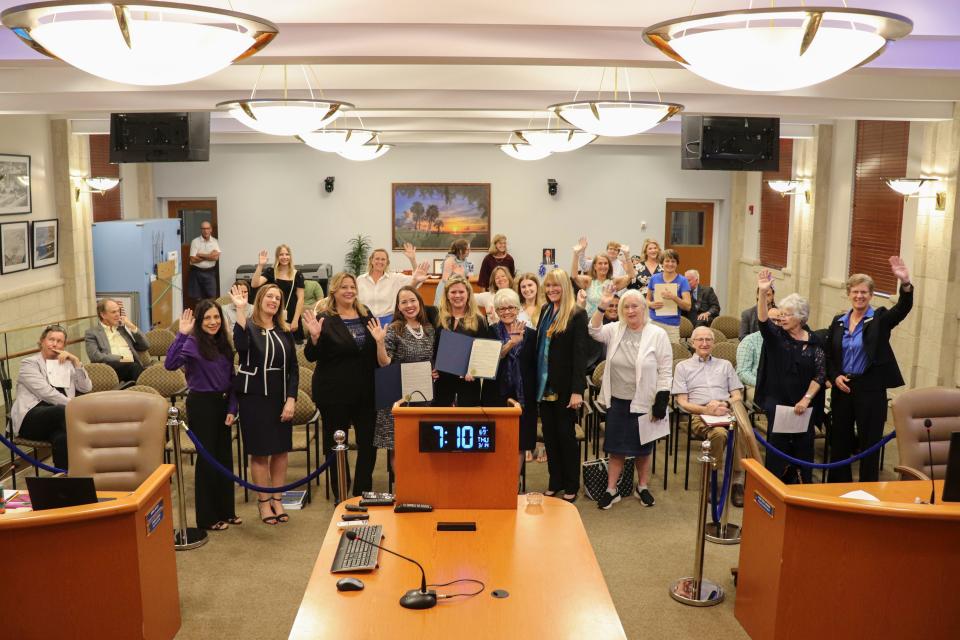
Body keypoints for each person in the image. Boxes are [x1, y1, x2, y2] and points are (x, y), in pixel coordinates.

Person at [826, 257, 913, 483]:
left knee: (869, 444)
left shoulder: (879, 319)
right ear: (849, 294)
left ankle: (867, 490)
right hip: (842, 388)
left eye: (864, 292)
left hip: (871, 389)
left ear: (871, 295)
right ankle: (837, 488)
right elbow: (829, 355)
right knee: (840, 442)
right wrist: (835, 377)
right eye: (855, 292)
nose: (859, 296)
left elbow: (902, 309)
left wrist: (905, 284)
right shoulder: (838, 321)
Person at [589, 287, 671, 509]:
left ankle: (642, 486)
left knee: (642, 449)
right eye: (626, 306)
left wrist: (662, 399)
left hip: (644, 401)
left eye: (635, 306)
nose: (631, 310)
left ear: (644, 308)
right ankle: (611, 490)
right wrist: (602, 306)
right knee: (616, 448)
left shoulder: (657, 334)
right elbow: (594, 331)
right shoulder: (615, 329)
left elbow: (665, 369)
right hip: (617, 399)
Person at [301, 272, 378, 498]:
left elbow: (374, 351)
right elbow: (311, 355)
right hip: (334, 394)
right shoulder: (325, 318)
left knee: (368, 445)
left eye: (352, 287)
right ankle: (342, 496)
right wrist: (314, 338)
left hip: (366, 392)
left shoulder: (366, 315)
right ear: (334, 291)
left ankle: (361, 493)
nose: (349, 291)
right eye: (344, 287)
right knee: (336, 448)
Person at [165, 302, 240, 531]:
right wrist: (181, 334)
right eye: (207, 318)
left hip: (223, 403)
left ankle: (226, 511)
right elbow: (170, 364)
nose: (213, 322)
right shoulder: (193, 342)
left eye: (216, 317)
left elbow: (232, 378)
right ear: (199, 321)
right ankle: (207, 518)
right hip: (202, 405)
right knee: (207, 461)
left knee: (225, 458)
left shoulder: (224, 343)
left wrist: (232, 408)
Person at [230, 283, 298, 525]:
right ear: (260, 300)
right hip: (254, 398)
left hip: (280, 398)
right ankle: (263, 502)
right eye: (269, 296)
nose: (274, 301)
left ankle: (277, 499)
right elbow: (240, 347)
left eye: (277, 298)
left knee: (280, 450)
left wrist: (291, 398)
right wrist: (240, 310)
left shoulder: (284, 330)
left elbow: (293, 368)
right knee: (259, 451)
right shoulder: (248, 326)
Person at [755, 270, 825, 484]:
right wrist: (763, 293)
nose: (782, 318)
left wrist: (806, 399)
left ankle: (802, 490)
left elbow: (820, 374)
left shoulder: (815, 341)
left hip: (805, 407)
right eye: (781, 314)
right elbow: (763, 321)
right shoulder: (777, 337)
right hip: (780, 405)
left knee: (804, 450)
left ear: (801, 317)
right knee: (778, 451)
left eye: (787, 314)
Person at [673, 326, 747, 506]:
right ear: (692, 343)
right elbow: (682, 402)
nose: (704, 343)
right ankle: (713, 480)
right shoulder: (683, 367)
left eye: (708, 340)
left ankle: (738, 482)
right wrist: (706, 410)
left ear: (714, 343)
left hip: (725, 410)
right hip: (699, 414)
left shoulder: (725, 365)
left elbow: (737, 395)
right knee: (720, 434)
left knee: (741, 429)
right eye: (700, 340)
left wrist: (726, 404)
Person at [536, 269, 588, 502]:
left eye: (555, 286)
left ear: (565, 287)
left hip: (566, 387)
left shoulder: (577, 314)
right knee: (549, 436)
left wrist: (578, 391)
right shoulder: (546, 310)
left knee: (565, 436)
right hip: (544, 386)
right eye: (547, 286)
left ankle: (570, 484)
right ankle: (554, 480)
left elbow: (580, 356)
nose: (551, 290)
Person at [369, 286, 436, 465]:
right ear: (398, 307)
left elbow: (430, 358)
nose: (409, 305)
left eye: (412, 300)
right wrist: (380, 343)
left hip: (423, 397)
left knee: (422, 446)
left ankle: (420, 487)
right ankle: (404, 490)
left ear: (420, 303)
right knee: (400, 448)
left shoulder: (429, 328)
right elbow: (385, 363)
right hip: (398, 396)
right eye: (404, 302)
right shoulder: (394, 329)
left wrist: (433, 370)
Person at [11, 325, 91, 470]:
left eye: (59, 341)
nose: (54, 344)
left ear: (64, 345)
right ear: (42, 341)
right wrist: (74, 407)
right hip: (31, 418)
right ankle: (90, 458)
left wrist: (76, 362)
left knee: (62, 437)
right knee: (61, 412)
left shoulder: (67, 363)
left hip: (60, 419)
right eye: (51, 339)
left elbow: (86, 387)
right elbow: (46, 393)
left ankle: (63, 478)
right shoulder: (29, 364)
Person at [484, 288, 538, 473]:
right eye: (501, 309)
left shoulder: (531, 334)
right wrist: (511, 343)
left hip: (524, 396)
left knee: (520, 443)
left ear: (518, 309)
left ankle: (512, 485)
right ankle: (497, 481)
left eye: (511, 308)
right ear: (497, 312)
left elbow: (535, 365)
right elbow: (488, 361)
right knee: (495, 440)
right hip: (495, 394)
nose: (506, 312)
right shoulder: (489, 332)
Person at [433, 274, 490, 407]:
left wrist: (475, 370)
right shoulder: (438, 318)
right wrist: (432, 366)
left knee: (467, 421)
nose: (457, 295)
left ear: (468, 294)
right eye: (453, 292)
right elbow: (433, 347)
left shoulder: (479, 320)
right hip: (443, 382)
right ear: (447, 295)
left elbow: (483, 353)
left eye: (461, 292)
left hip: (468, 383)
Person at [357, 243, 430, 324]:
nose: (380, 261)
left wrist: (412, 260)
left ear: (387, 262)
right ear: (371, 261)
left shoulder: (395, 278)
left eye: (383, 259)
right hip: (365, 321)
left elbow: (416, 281)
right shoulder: (360, 279)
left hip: (389, 322)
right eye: (377, 259)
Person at [84, 298, 149, 383]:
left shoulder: (122, 329)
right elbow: (95, 356)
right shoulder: (92, 333)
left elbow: (145, 346)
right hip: (111, 371)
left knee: (147, 372)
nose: (118, 314)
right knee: (135, 369)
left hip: (133, 367)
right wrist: (121, 358)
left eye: (118, 311)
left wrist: (131, 326)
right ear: (103, 315)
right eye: (113, 312)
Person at [251, 245, 305, 341]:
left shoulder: (297, 274)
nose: (284, 257)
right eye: (281, 254)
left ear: (290, 256)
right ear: (277, 257)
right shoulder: (271, 272)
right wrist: (260, 265)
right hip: (273, 314)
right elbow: (254, 284)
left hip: (291, 315)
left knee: (292, 347)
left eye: (287, 254)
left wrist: (296, 320)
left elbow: (300, 298)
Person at [571, 241, 635, 317]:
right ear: (594, 266)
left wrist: (627, 255)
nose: (603, 266)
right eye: (600, 263)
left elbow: (631, 276)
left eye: (605, 263)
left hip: (608, 321)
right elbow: (574, 276)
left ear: (609, 266)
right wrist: (576, 254)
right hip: (590, 320)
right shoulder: (589, 281)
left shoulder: (613, 282)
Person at [736, 307, 782, 406]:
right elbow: (743, 372)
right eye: (773, 320)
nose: (777, 324)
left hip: (779, 386)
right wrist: (764, 385)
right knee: (773, 402)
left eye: (779, 320)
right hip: (754, 385)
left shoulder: (785, 341)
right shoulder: (749, 341)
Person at [646, 248, 692, 343]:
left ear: (677, 263)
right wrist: (651, 304)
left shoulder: (683, 281)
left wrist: (674, 297)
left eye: (673, 261)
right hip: (653, 323)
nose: (670, 264)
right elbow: (647, 300)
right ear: (662, 263)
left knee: (673, 354)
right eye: (667, 261)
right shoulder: (654, 278)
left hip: (672, 326)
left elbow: (688, 306)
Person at [188, 220, 220, 300]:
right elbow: (192, 259)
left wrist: (200, 254)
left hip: (210, 272)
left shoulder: (215, 241)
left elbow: (216, 257)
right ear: (201, 230)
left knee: (212, 297)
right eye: (203, 229)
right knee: (197, 298)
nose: (206, 231)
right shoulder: (195, 242)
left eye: (207, 228)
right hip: (196, 272)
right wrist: (210, 256)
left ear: (211, 229)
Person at [434, 239, 471, 306]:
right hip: (447, 290)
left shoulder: (463, 259)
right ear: (460, 250)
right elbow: (445, 279)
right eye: (467, 249)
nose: (469, 251)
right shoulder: (450, 260)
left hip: (459, 289)